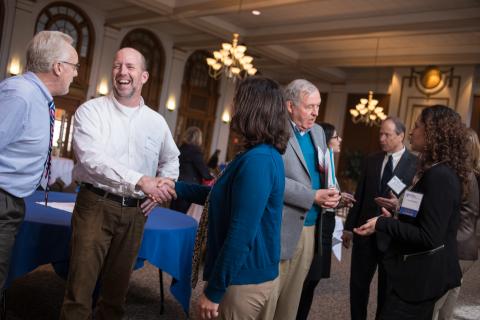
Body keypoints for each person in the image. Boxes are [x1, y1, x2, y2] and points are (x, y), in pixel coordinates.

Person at [60, 47, 179, 320]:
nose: (122, 72)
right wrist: (142, 180)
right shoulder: (91, 111)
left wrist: (161, 189)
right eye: (117, 66)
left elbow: (172, 160)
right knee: (79, 293)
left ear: (144, 77)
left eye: (130, 67)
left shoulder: (156, 122)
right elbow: (92, 159)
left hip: (137, 213)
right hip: (95, 206)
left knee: (116, 296)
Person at [174, 76, 290, 319]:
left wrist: (214, 291)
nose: (233, 108)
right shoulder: (259, 154)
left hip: (242, 280)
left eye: (238, 102)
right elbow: (224, 196)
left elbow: (241, 232)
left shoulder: (258, 161)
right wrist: (176, 188)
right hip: (245, 274)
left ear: (251, 109)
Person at [354, 105, 468, 319]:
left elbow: (428, 236)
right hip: (416, 274)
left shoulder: (440, 176)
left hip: (424, 279)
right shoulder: (433, 170)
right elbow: (422, 216)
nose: (412, 132)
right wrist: (398, 214)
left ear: (433, 133)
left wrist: (383, 224)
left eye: (417, 126)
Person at [0, 30, 78, 292]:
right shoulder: (20, 95)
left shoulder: (38, 98)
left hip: (11, 201)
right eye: (74, 66)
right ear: (58, 67)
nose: (76, 73)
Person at [261, 79, 341, 320]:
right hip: (281, 225)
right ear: (290, 106)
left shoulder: (318, 132)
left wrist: (332, 189)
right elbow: (270, 180)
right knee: (269, 296)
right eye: (309, 107)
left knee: (292, 300)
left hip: (311, 227)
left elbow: (322, 168)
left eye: (318, 106)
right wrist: (312, 196)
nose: (316, 113)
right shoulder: (273, 131)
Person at [342, 117, 417, 320]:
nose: (381, 138)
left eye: (387, 135)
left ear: (401, 136)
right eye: (380, 134)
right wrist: (349, 227)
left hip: (393, 237)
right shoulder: (371, 160)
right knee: (358, 286)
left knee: (387, 291)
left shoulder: (415, 164)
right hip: (364, 233)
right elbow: (360, 194)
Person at [296, 122, 355, 320]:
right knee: (306, 282)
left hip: (325, 229)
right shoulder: (321, 163)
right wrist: (335, 198)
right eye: (336, 137)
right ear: (326, 139)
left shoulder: (328, 161)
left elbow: (328, 197)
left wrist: (339, 199)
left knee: (312, 282)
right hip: (317, 230)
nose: (340, 140)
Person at [433, 128, 479, 320]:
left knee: (434, 302)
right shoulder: (475, 175)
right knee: (451, 294)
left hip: (455, 245)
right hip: (469, 248)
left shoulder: (460, 176)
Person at [170, 126, 213, 213]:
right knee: (182, 216)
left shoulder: (180, 148)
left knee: (173, 212)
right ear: (198, 138)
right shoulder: (195, 151)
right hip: (189, 188)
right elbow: (204, 173)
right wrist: (211, 177)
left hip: (177, 184)